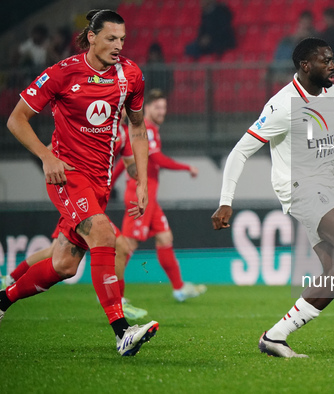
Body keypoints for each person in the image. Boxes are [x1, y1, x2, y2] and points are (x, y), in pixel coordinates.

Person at [2, 9, 158, 357]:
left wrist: (143, 182)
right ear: (91, 37)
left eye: (122, 39)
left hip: (98, 183)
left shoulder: (131, 74)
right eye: (110, 38)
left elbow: (136, 128)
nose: (118, 46)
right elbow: (16, 119)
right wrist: (46, 156)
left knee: (64, 264)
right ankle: (122, 332)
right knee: (104, 234)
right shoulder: (63, 72)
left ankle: (2, 300)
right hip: (65, 175)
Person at [212, 38, 334, 358]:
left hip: (327, 186)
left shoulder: (333, 93)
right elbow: (240, 151)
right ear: (305, 66)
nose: (332, 65)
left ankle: (275, 336)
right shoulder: (282, 106)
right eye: (324, 60)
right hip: (300, 186)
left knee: (333, 274)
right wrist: (226, 200)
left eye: (332, 59)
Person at [1, 112, 148, 320]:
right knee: (118, 245)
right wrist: (52, 161)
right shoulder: (91, 126)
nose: (125, 110)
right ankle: (118, 309)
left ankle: (7, 287)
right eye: (123, 105)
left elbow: (131, 166)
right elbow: (53, 150)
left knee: (60, 260)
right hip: (76, 195)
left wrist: (143, 168)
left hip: (93, 201)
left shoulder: (123, 135)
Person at [120, 88, 206, 303]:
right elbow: (156, 158)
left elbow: (126, 161)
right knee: (128, 244)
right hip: (140, 195)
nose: (162, 111)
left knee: (164, 236)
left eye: (164, 107)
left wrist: (110, 180)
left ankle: (179, 289)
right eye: (157, 107)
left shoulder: (150, 131)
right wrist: (186, 167)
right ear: (146, 108)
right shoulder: (146, 130)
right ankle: (112, 294)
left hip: (149, 197)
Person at [270, 11, 318, 81]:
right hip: (288, 67)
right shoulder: (289, 39)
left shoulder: (316, 36)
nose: (305, 25)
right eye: (303, 22)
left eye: (307, 22)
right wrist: (296, 38)